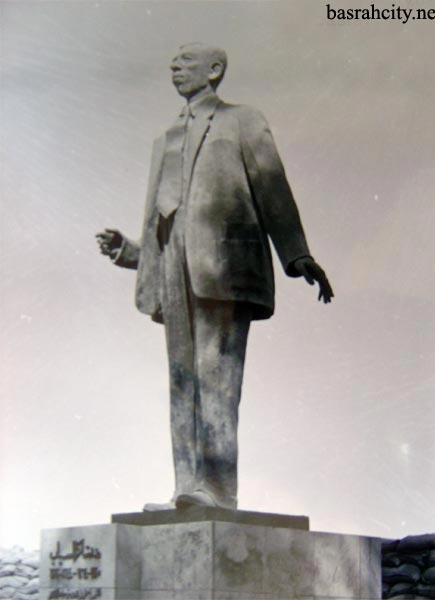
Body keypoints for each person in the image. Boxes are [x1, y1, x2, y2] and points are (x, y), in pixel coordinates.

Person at [96, 43, 333, 511]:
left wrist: (297, 253)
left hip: (224, 268)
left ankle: (218, 491)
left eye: (186, 61)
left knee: (216, 379)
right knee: (182, 383)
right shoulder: (165, 139)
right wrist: (130, 251)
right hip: (173, 271)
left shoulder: (241, 120)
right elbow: (165, 220)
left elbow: (271, 184)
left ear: (215, 70)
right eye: (172, 61)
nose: (174, 67)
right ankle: (185, 488)